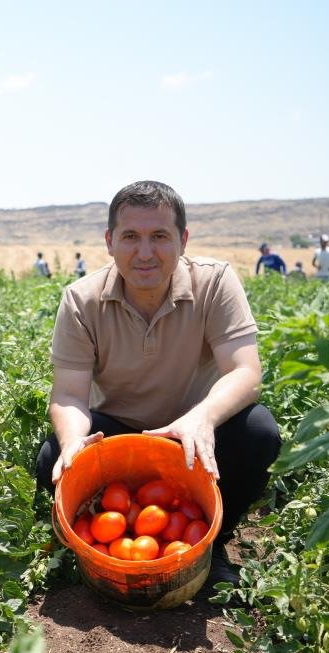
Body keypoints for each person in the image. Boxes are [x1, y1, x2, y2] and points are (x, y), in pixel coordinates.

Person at [34, 180, 281, 586]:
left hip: (195, 429)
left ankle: (212, 542)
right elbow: (68, 394)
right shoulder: (81, 299)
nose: (145, 252)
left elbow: (245, 373)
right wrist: (74, 440)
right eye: (130, 236)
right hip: (118, 430)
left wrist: (200, 419)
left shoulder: (215, 282)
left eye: (160, 237)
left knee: (259, 433)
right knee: (52, 460)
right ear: (110, 241)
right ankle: (101, 548)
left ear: (183, 240)